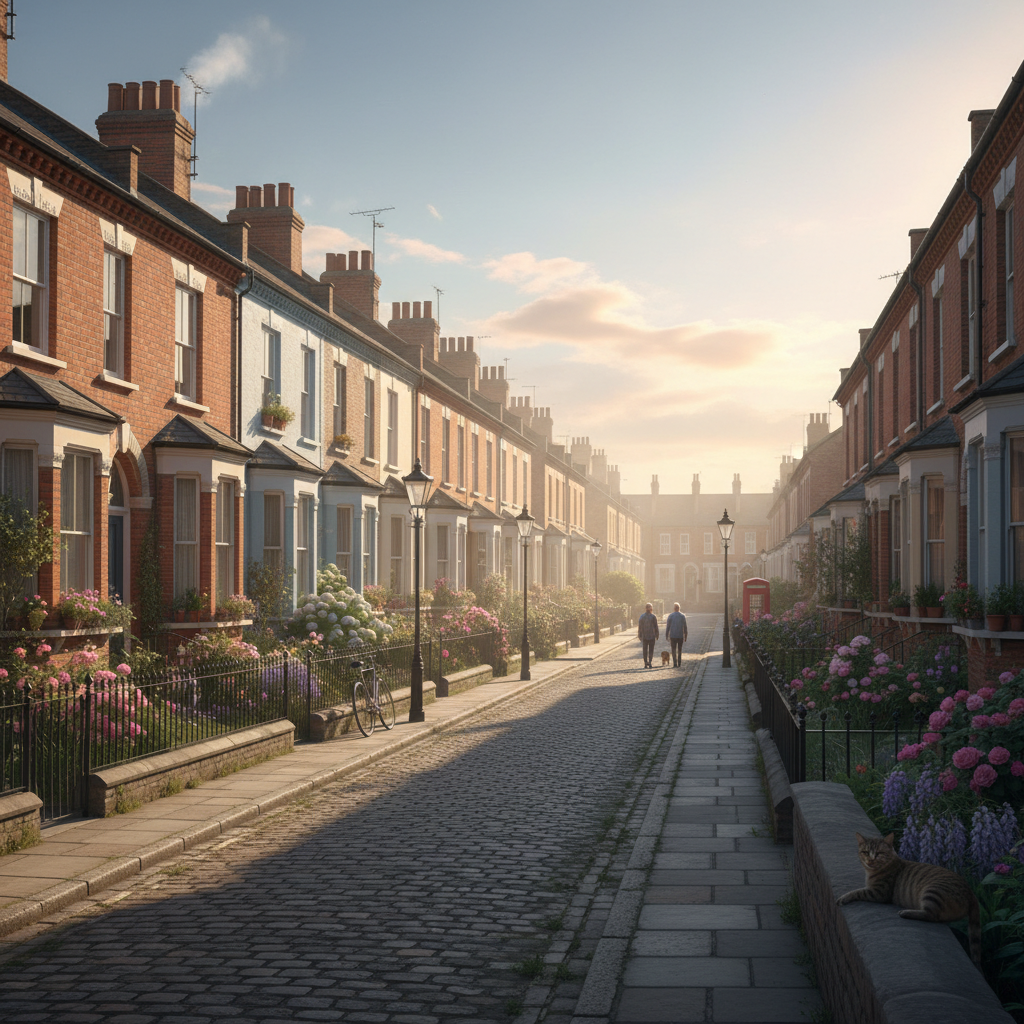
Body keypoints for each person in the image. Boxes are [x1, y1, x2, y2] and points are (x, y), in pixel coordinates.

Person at [637, 603, 659, 668]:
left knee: (645, 650)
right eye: (650, 607)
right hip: (651, 636)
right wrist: (657, 634)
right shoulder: (653, 616)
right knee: (650, 650)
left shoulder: (642, 616)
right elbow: (656, 627)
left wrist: (640, 635)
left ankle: (646, 662)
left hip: (645, 636)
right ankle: (649, 662)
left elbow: (640, 627)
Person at [665, 603, 688, 667]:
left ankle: (675, 662)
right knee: (680, 649)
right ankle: (679, 662)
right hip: (680, 635)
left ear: (674, 608)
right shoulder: (682, 616)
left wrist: (667, 635)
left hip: (673, 635)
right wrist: (685, 635)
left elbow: (668, 627)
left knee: (673, 649)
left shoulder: (670, 616)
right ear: (679, 608)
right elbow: (685, 627)